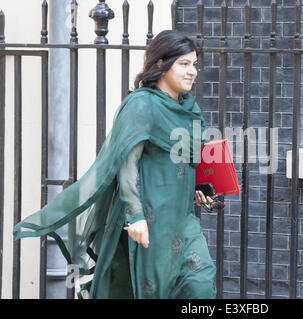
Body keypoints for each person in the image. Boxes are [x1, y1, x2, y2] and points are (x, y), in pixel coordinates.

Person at [13, 30, 219, 299]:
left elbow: (181, 163)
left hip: (182, 219)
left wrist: (199, 189)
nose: (192, 71)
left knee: (200, 285)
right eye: (184, 64)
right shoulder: (141, 104)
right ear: (161, 64)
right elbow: (127, 162)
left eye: (194, 64)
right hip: (149, 218)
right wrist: (136, 217)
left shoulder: (189, 108)